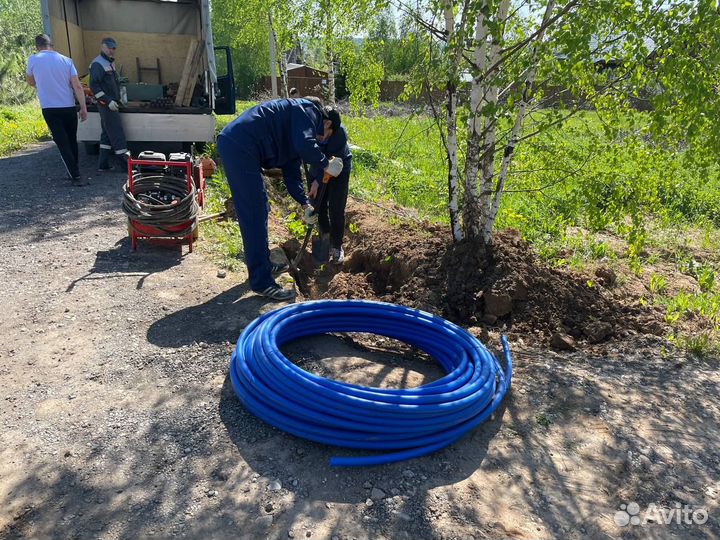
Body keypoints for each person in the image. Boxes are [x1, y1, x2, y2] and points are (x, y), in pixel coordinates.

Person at [217, 98, 343, 301]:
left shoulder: (295, 135)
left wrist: (305, 204)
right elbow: (306, 144)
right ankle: (262, 282)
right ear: (327, 124)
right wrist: (324, 164)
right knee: (254, 212)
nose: (323, 141)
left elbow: (292, 176)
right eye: (327, 137)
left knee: (261, 208)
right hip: (240, 145)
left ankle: (263, 265)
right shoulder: (308, 110)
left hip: (243, 147)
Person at [26, 34, 88, 186]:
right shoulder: (66, 60)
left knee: (61, 142)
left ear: (37, 46)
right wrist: (83, 107)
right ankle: (74, 170)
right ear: (51, 45)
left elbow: (30, 81)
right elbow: (77, 85)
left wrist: (42, 83)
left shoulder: (33, 59)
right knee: (72, 139)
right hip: (68, 106)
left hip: (49, 107)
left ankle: (75, 174)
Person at [308, 107, 352, 264]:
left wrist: (317, 181)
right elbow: (313, 155)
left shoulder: (339, 138)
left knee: (336, 208)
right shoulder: (313, 129)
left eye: (322, 121)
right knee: (316, 204)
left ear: (329, 124)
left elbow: (331, 165)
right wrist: (314, 180)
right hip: (319, 167)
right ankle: (325, 234)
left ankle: (337, 246)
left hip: (338, 169)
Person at [89, 37, 130, 171]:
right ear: (103, 47)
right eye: (109, 48)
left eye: (113, 48)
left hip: (111, 103)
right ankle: (125, 166)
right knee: (117, 133)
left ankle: (103, 164)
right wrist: (108, 101)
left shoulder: (109, 62)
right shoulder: (98, 64)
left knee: (106, 134)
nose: (112, 51)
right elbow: (94, 87)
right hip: (106, 105)